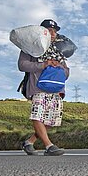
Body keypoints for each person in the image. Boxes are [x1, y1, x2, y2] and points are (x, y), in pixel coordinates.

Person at [18, 19, 70, 156]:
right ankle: (49, 146)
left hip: (56, 90)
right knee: (38, 116)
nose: (53, 34)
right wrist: (44, 64)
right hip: (37, 87)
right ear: (42, 32)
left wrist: (58, 68)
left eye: (55, 31)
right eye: (49, 30)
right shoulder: (30, 47)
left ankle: (29, 142)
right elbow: (22, 65)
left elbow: (67, 71)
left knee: (50, 121)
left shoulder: (59, 50)